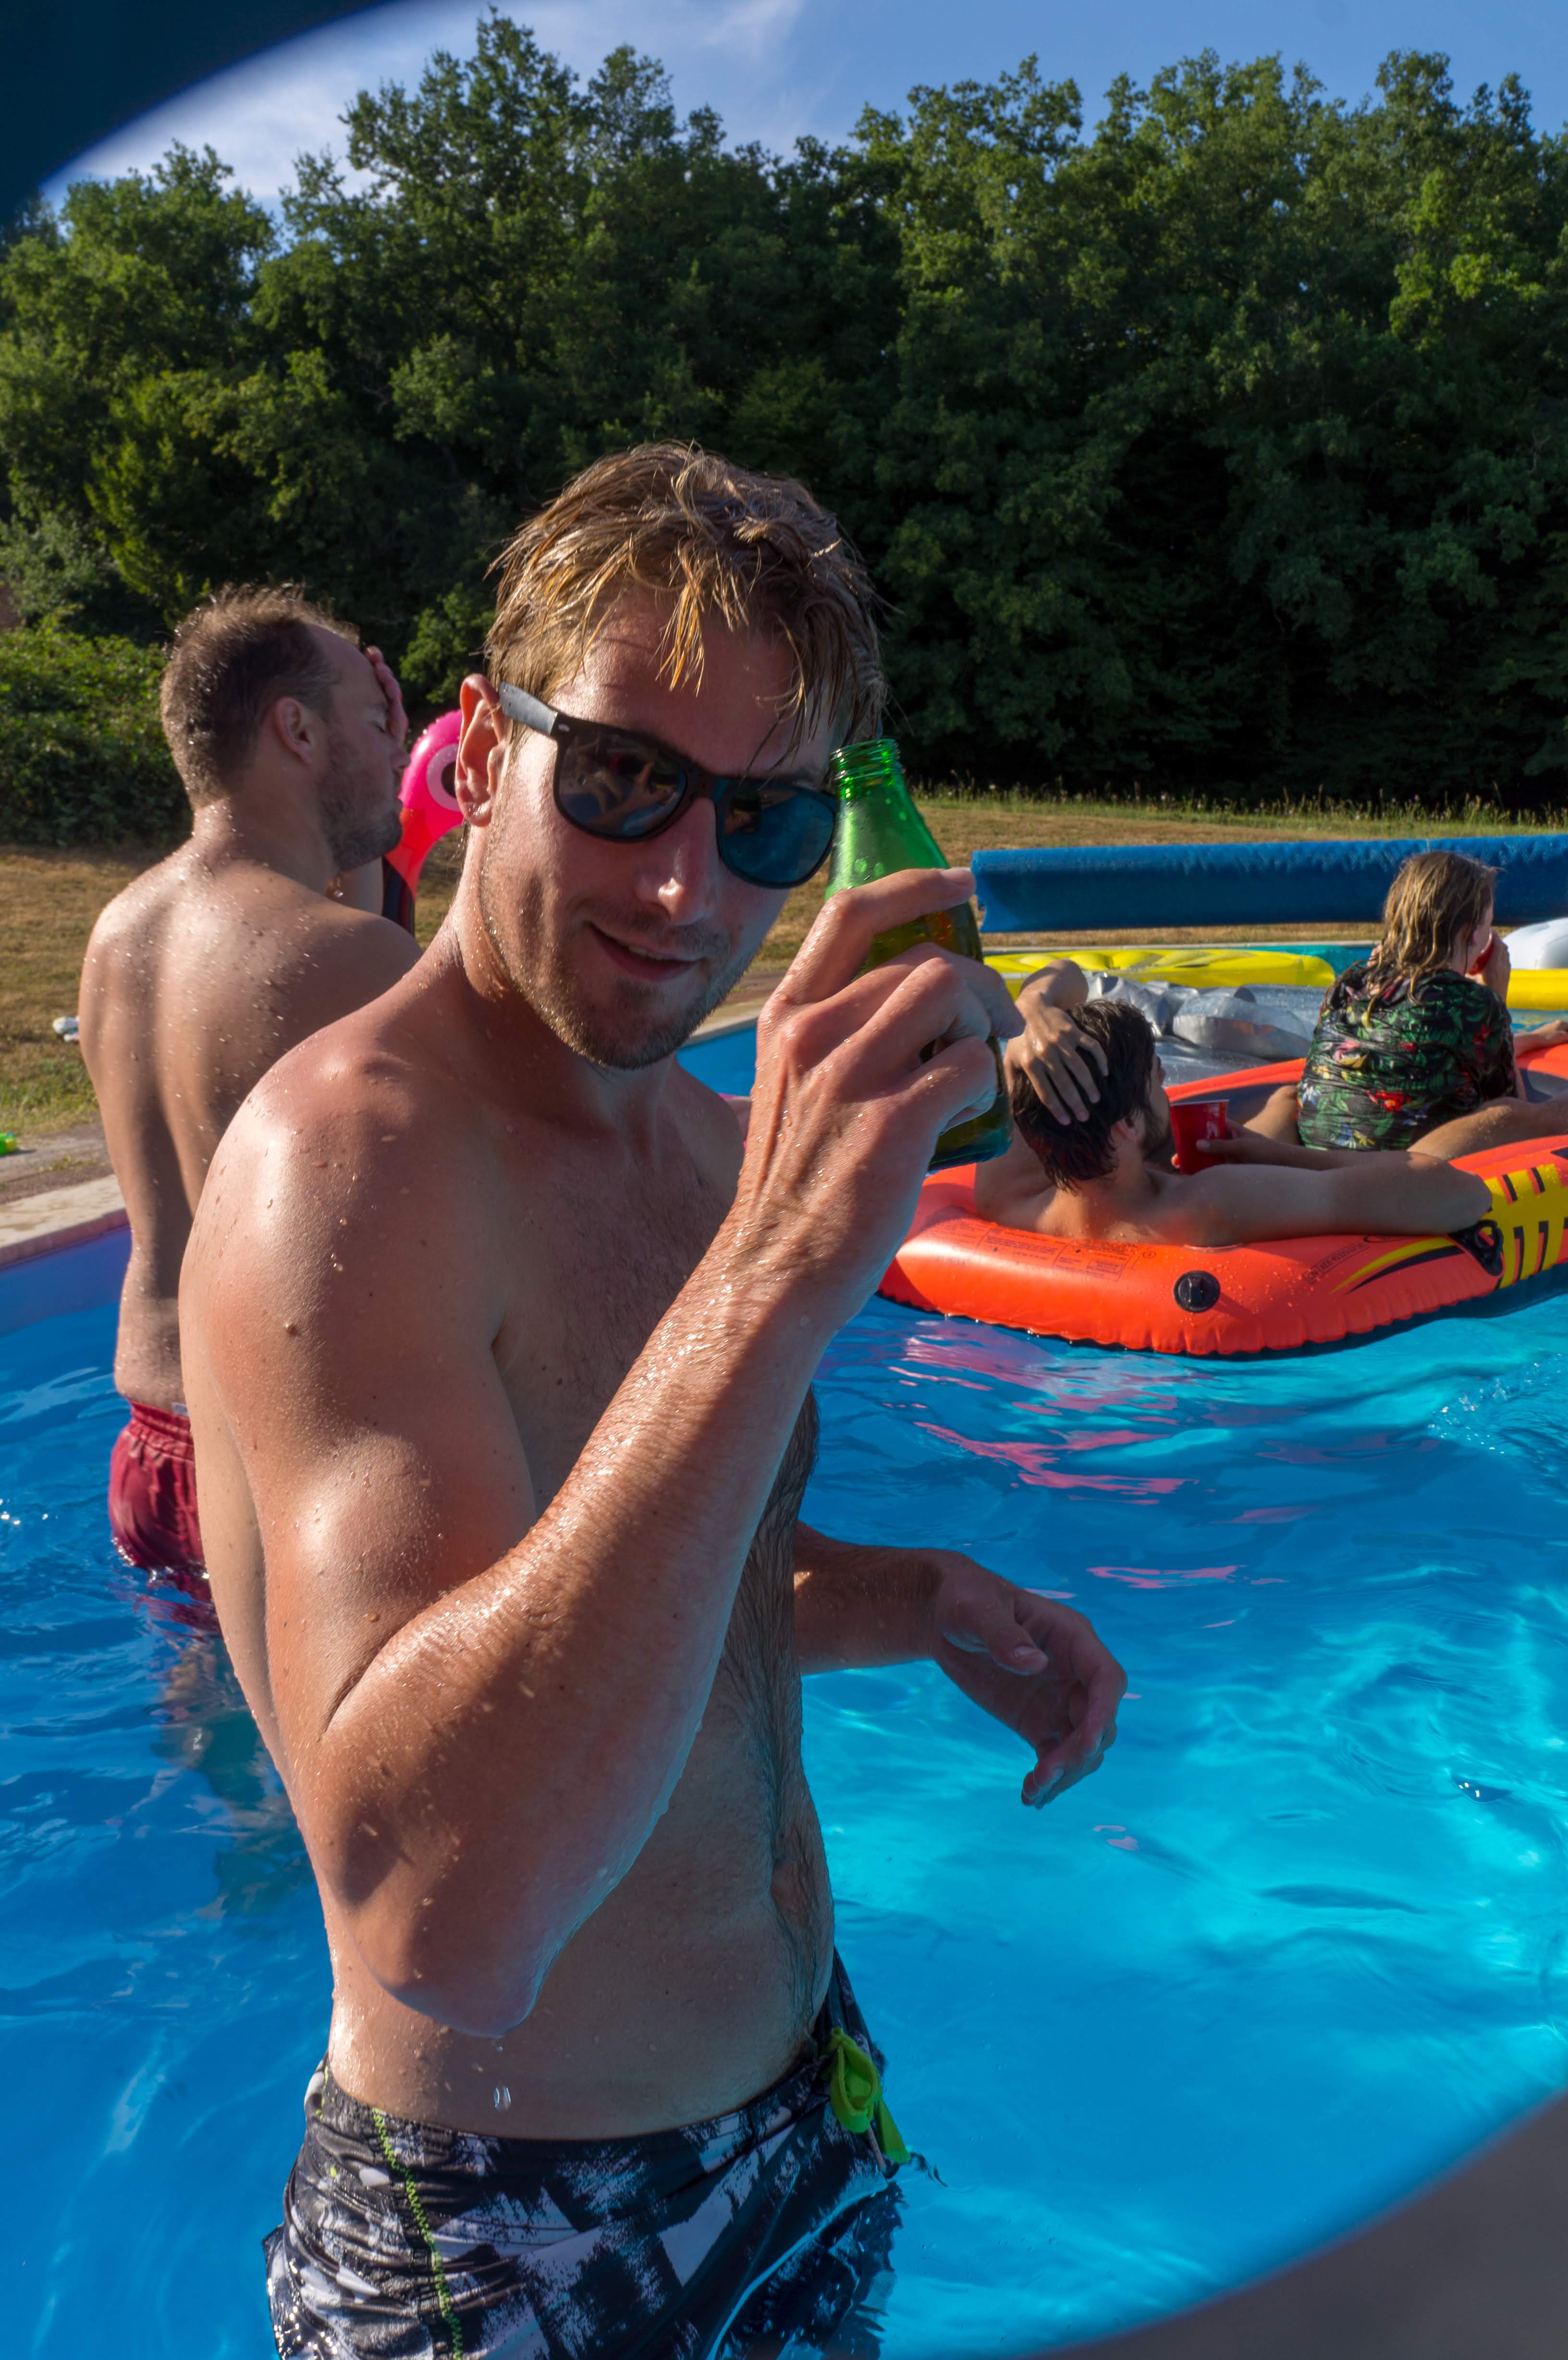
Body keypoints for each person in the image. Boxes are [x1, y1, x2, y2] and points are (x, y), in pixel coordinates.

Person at [178, 444, 1127, 2359]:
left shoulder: (699, 1141)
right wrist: (773, 1279)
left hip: (801, 2107)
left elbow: (642, 1573)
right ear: (480, 748)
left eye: (767, 818)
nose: (688, 882)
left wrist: (910, 1596)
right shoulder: (350, 1165)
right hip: (510, 2223)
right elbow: (442, 1916)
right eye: (620, 777)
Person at [78, 585, 420, 1584]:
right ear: (297, 730)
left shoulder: (120, 935)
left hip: (150, 1447)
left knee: (203, 1686)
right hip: (273, 1469)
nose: (396, 748)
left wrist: (372, 774)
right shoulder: (349, 958)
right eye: (376, 719)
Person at [975, 997, 1490, 1248]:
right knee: (1501, 1117)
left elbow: (1059, 975)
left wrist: (1030, 1011)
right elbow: (1459, 1193)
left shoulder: (1006, 1198)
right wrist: (1283, 1157)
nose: (1167, 1080)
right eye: (1156, 1077)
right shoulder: (1209, 1204)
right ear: (1126, 1126)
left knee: (1285, 1103)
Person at [1246, 848, 1568, 1155]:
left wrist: (1532, 1038)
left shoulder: (1348, 984)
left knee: (1287, 1096)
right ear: (1471, 934)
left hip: (1318, 1150)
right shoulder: (1471, 1004)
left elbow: (1405, 1052)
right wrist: (1497, 995)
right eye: (1488, 924)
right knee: (1517, 1113)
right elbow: (1514, 1109)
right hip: (1402, 1168)